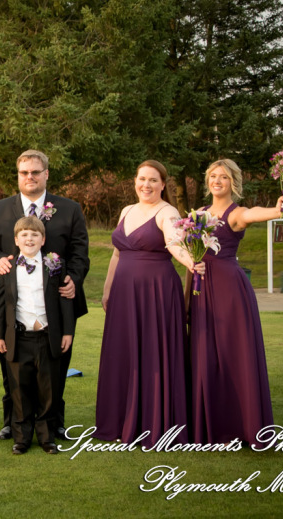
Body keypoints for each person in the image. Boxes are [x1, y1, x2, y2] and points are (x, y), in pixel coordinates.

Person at [0, 150, 89, 441]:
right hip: (14, 305)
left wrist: (74, 278)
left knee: (57, 364)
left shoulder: (69, 209)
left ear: (46, 174)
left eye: (35, 172)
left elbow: (80, 250)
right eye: (24, 172)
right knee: (12, 365)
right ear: (18, 175)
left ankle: (54, 422)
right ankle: (13, 421)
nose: (30, 177)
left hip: (58, 303)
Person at [189, 159, 283, 447]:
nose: (217, 181)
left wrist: (278, 210)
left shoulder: (236, 214)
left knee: (232, 353)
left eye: (223, 177)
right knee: (205, 353)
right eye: (213, 176)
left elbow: (253, 213)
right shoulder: (198, 213)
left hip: (229, 291)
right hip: (200, 289)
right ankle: (208, 426)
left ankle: (238, 427)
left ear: (233, 182)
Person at [95, 160, 197, 447]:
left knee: (153, 353)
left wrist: (190, 261)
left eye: (153, 180)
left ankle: (154, 423)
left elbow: (174, 242)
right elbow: (117, 254)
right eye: (142, 179)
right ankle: (121, 422)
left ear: (163, 184)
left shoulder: (168, 212)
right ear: (135, 181)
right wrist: (107, 289)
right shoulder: (127, 210)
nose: (146, 185)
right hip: (123, 293)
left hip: (156, 293)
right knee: (124, 354)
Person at [0, 216, 75, 455]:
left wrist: (67, 331)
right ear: (16, 240)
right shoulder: (7, 267)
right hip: (18, 338)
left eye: (35, 235)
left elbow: (65, 300)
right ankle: (22, 438)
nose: (29, 239)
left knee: (48, 389)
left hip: (48, 337)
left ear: (43, 239)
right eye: (24, 235)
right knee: (20, 390)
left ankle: (47, 437)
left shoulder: (54, 264)